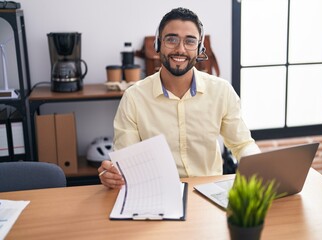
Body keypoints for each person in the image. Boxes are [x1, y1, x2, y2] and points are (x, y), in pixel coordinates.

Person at [98, 7, 260, 189]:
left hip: (209, 193)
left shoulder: (221, 91)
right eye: (172, 40)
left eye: (190, 41)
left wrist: (259, 167)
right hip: (156, 192)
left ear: (199, 48)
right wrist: (113, 174)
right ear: (158, 45)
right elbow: (126, 160)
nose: (180, 49)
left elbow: (243, 144)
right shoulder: (134, 97)